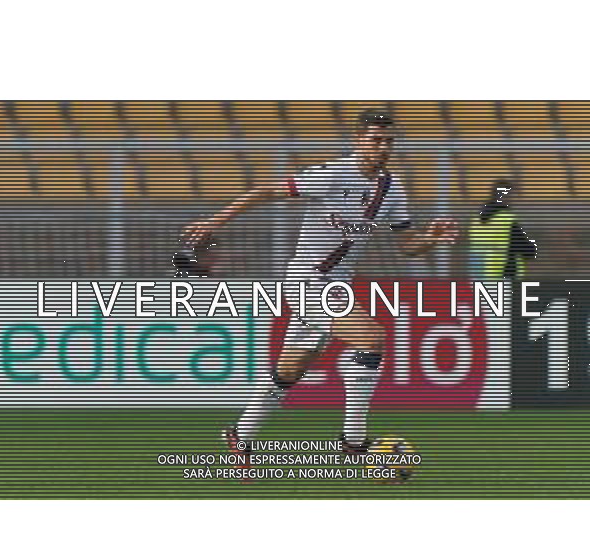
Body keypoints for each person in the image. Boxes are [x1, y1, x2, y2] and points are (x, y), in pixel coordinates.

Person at [184, 108, 458, 466]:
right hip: (306, 282)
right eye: (376, 140)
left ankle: (240, 436)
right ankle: (354, 440)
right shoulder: (332, 174)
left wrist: (431, 240)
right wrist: (213, 222)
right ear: (358, 141)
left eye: (389, 142)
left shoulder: (392, 189)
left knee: (289, 371)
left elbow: (407, 244)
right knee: (372, 338)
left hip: (337, 287)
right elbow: (266, 190)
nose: (383, 148)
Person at [469, 181, 537, 279]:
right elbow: (525, 249)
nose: (513, 200)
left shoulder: (476, 219)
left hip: (478, 276)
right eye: (511, 196)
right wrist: (533, 246)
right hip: (502, 276)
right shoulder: (506, 219)